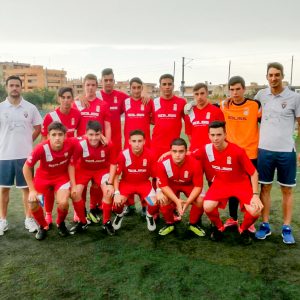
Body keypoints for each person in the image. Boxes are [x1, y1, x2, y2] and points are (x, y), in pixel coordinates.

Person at [254, 62, 300, 244]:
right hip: (264, 150)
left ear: (282, 76)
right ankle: (265, 225)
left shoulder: (294, 97)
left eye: (277, 75)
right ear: (266, 77)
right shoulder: (261, 95)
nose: (273, 78)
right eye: (270, 75)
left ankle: (286, 227)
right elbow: (246, 109)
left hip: (286, 151)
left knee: (287, 190)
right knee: (265, 187)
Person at [199, 121, 263, 244]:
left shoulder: (238, 151)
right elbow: (189, 155)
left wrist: (255, 194)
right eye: (212, 135)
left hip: (240, 184)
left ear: (225, 135)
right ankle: (219, 227)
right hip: (221, 183)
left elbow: (254, 173)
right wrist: (169, 153)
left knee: (256, 210)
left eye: (219, 134)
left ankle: (243, 229)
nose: (215, 138)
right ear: (208, 135)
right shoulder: (206, 149)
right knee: (207, 206)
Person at [22, 122, 84, 240]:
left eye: (60, 134)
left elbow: (86, 136)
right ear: (48, 136)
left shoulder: (71, 142)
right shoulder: (41, 148)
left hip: (61, 178)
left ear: (65, 136)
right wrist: (31, 190)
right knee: (33, 203)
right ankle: (43, 226)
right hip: (42, 179)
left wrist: (101, 136)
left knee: (63, 202)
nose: (57, 138)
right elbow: (26, 167)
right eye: (54, 135)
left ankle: (60, 223)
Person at [0, 75, 42, 236]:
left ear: (21, 87)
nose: (14, 88)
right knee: (3, 189)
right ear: (7, 87)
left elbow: (38, 127)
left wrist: (27, 140)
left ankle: (28, 219)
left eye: (17, 85)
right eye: (11, 85)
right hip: (4, 155)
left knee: (26, 189)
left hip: (25, 156)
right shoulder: (1, 107)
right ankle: (2, 220)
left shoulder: (30, 108)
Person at [220, 76, 261, 232]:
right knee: (232, 187)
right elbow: (206, 106)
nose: (235, 92)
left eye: (238, 89)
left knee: (250, 189)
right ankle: (233, 218)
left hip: (251, 153)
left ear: (244, 89)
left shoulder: (254, 105)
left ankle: (249, 221)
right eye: (231, 89)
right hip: (232, 154)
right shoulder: (225, 105)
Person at [73, 74, 111, 220]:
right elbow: (72, 123)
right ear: (84, 85)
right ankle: (79, 210)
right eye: (87, 84)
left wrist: (106, 141)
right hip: (81, 150)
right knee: (80, 182)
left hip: (98, 147)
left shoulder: (102, 105)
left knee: (96, 182)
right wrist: (77, 98)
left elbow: (107, 125)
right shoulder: (77, 103)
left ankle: (93, 207)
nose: (90, 87)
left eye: (93, 85)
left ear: (97, 86)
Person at [41, 87, 81, 226]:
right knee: (50, 188)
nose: (66, 100)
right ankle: (48, 215)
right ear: (58, 99)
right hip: (54, 159)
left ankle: (77, 211)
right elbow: (44, 140)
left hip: (70, 159)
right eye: (63, 97)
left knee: (76, 184)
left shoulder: (77, 114)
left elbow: (80, 137)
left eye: (68, 97)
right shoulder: (50, 117)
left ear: (72, 99)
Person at [71, 120, 117, 236]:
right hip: (83, 170)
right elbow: (71, 164)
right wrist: (73, 184)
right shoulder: (80, 143)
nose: (94, 138)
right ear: (86, 134)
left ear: (101, 133)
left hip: (101, 170)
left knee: (108, 192)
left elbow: (113, 164)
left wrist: (110, 183)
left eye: (97, 135)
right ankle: (82, 222)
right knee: (75, 194)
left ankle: (106, 222)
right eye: (91, 135)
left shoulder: (108, 144)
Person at [156, 138, 205, 237]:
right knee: (160, 200)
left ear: (186, 152)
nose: (177, 155)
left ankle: (193, 223)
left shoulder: (195, 164)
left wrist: (187, 202)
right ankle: (169, 223)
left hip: (189, 185)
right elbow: (164, 185)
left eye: (181, 151)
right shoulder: (163, 163)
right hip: (171, 185)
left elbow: (198, 187)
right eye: (174, 151)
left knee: (201, 200)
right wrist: (177, 201)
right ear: (170, 152)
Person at [112, 130, 158, 232]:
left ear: (144, 141)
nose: (137, 144)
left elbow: (157, 176)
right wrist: (116, 192)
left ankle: (149, 216)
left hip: (144, 184)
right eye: (134, 141)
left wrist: (159, 191)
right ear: (129, 141)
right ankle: (119, 215)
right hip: (127, 184)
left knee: (154, 203)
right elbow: (116, 175)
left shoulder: (150, 154)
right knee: (117, 203)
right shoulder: (123, 154)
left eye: (139, 141)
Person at [151, 74, 186, 161]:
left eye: (169, 84)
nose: (167, 87)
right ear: (160, 86)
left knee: (173, 173)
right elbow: (150, 120)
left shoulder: (181, 102)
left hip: (174, 147)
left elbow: (189, 122)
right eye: (164, 84)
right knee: (157, 173)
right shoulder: (153, 102)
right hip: (156, 147)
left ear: (173, 86)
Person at [185, 83, 224, 151]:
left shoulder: (216, 111)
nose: (199, 97)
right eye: (196, 94)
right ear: (193, 95)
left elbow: (222, 133)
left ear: (207, 93)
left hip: (212, 151)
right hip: (195, 151)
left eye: (202, 93)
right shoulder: (189, 112)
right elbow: (189, 135)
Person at [123, 77, 154, 149]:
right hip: (129, 144)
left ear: (142, 88)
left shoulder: (148, 102)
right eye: (134, 88)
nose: (136, 90)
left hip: (145, 143)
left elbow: (155, 120)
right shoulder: (125, 102)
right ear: (130, 88)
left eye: (138, 87)